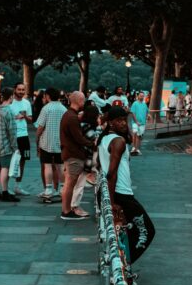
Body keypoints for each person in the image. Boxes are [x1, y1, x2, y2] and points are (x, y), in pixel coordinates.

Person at [97, 106, 155, 266]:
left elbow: (99, 166)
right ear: (110, 123)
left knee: (125, 232)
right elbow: (111, 173)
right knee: (147, 231)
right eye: (119, 121)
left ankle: (121, 266)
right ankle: (124, 265)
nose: (123, 123)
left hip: (113, 192)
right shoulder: (118, 141)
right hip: (120, 194)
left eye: (125, 120)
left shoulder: (103, 139)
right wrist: (112, 202)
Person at [59, 91, 95, 221]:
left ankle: (66, 209)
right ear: (79, 100)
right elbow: (79, 138)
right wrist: (92, 143)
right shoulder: (72, 117)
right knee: (70, 184)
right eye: (83, 100)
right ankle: (66, 211)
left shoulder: (69, 115)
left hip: (70, 153)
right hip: (73, 155)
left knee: (69, 184)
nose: (84, 103)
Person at [35, 87, 67, 203]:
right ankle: (62, 189)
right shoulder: (64, 109)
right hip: (60, 142)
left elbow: (40, 126)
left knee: (47, 165)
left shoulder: (46, 108)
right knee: (60, 166)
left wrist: (37, 137)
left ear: (48, 96)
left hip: (46, 142)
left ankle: (48, 189)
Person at [0, 87, 19, 203]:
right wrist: (15, 147)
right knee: (5, 168)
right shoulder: (9, 111)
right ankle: (5, 192)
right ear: (11, 97)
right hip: (5, 144)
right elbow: (12, 131)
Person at [11, 82, 33, 196]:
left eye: (23, 90)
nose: (21, 91)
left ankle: (18, 186)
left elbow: (30, 119)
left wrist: (25, 116)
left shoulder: (26, 103)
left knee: (22, 161)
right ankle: (5, 186)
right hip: (12, 135)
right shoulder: (10, 102)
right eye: (19, 89)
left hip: (24, 135)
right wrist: (15, 117)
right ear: (15, 90)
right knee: (9, 160)